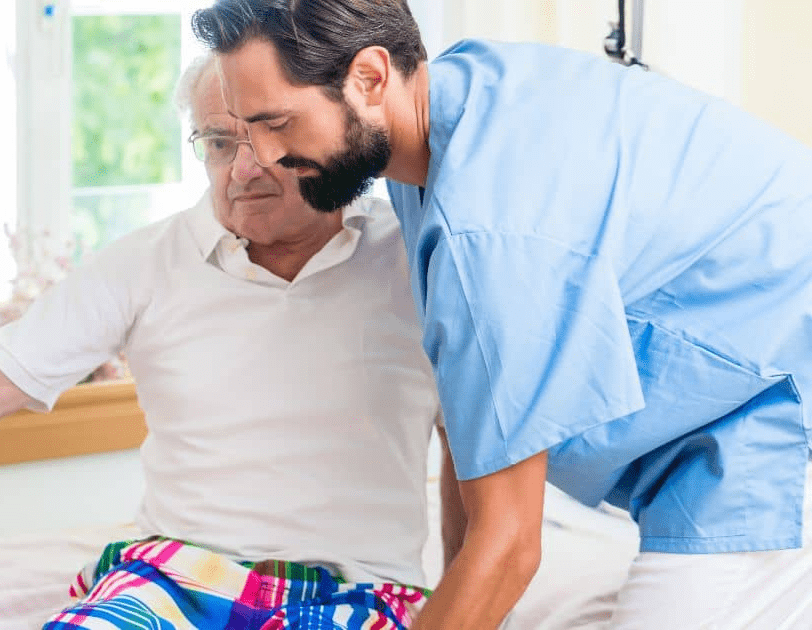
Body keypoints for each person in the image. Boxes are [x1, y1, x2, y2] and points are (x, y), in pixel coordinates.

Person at [0, 56, 441, 629]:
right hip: (175, 573)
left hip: (359, 590)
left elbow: (478, 448)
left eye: (264, 136)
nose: (242, 167)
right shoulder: (148, 260)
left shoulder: (412, 257)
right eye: (219, 142)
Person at [191, 1, 812, 628]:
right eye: (245, 129)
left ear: (371, 77)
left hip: (775, 411)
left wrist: (470, 594)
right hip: (709, 423)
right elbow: (473, 422)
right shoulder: (447, 111)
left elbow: (511, 545)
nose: (262, 158)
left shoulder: (487, 234)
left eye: (278, 124)